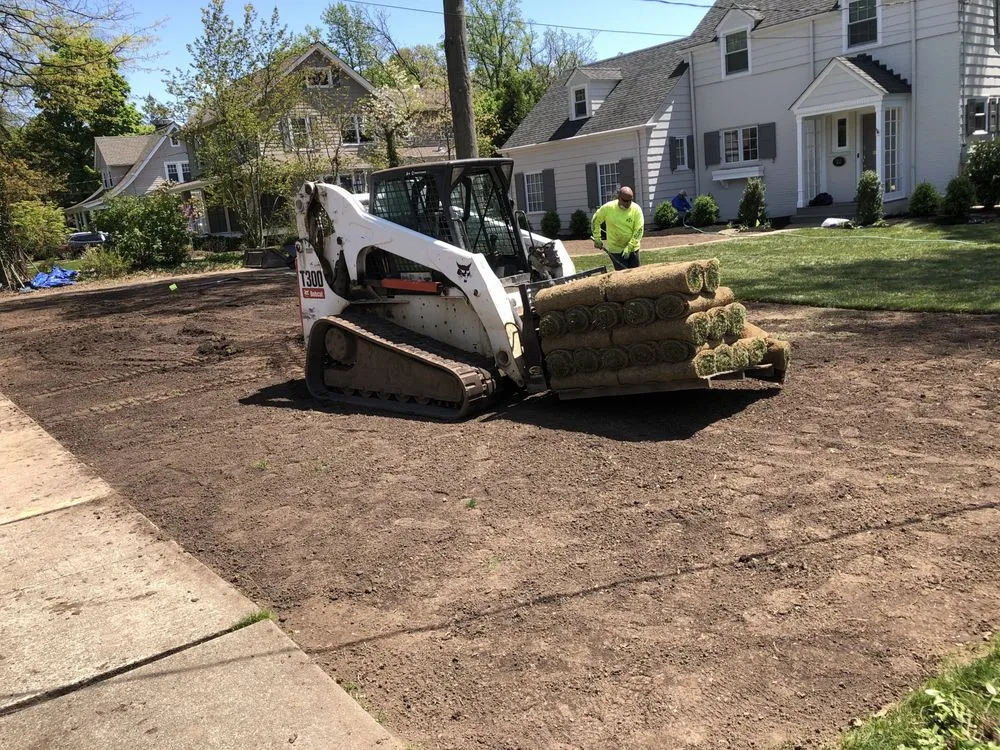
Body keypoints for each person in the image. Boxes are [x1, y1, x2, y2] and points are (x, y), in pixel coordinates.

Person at [591, 186, 644, 269]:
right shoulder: (608, 208)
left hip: (633, 249)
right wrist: (597, 238)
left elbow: (639, 230)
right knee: (622, 277)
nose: (628, 204)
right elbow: (595, 221)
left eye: (630, 200)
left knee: (635, 276)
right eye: (625, 201)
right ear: (619, 198)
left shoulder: (636, 209)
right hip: (615, 250)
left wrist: (630, 247)